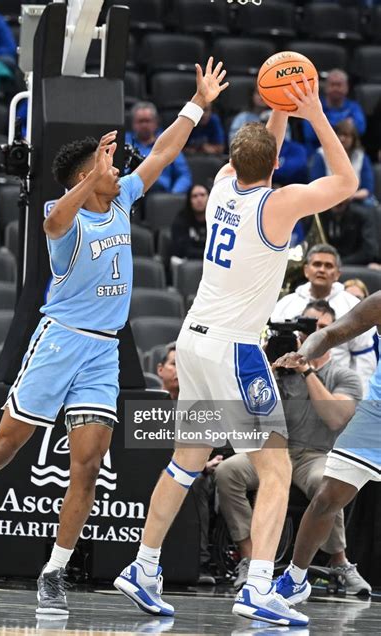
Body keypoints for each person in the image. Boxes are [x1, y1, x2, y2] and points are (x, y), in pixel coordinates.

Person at [0, 57, 228, 615]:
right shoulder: (67, 217)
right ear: (87, 174)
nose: (119, 165)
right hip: (59, 341)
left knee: (88, 460)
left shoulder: (124, 197)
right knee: (6, 445)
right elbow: (52, 222)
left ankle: (55, 569)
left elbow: (164, 152)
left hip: (102, 351)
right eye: (106, 162)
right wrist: (89, 177)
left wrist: (197, 105)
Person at [115, 74, 359, 627]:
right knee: (274, 469)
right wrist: (312, 111)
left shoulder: (224, 181)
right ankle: (256, 587)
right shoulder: (280, 204)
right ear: (274, 167)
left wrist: (277, 108)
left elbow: (259, 157)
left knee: (185, 461)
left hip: (194, 341)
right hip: (235, 351)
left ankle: (143, 566)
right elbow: (345, 179)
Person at [216, 300, 369, 596]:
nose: (314, 334)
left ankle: (340, 562)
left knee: (328, 480)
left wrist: (307, 371)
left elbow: (336, 418)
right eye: (309, 327)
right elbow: (247, 413)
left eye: (323, 329)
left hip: (315, 454)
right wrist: (266, 372)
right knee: (227, 472)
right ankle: (250, 557)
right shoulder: (279, 366)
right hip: (275, 452)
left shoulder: (344, 375)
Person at [274, 292, 381, 606]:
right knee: (326, 497)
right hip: (376, 417)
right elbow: (330, 333)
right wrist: (304, 354)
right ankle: (294, 579)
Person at [156, 341, 223, 586]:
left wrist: (206, 464)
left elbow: (220, 449)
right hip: (146, 471)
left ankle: (200, 561)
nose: (179, 371)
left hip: (195, 473)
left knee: (194, 480)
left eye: (184, 366)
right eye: (174, 364)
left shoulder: (205, 405)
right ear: (160, 369)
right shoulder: (142, 404)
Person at [271, 244, 376, 395]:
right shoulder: (285, 305)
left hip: (337, 387)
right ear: (306, 270)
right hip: (289, 387)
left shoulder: (354, 306)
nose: (322, 269)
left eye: (328, 266)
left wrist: (360, 400)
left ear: (338, 273)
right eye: (317, 264)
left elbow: (364, 357)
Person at [125, 102, 192, 194]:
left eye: (147, 121)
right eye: (140, 121)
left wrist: (173, 195)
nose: (144, 125)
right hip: (129, 193)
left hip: (160, 193)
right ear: (133, 123)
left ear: (155, 122)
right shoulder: (124, 141)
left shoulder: (168, 141)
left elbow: (184, 176)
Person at [310, 119, 376, 206]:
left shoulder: (361, 157)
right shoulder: (321, 154)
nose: (342, 138)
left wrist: (351, 196)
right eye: (339, 134)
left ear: (353, 139)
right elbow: (315, 186)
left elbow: (367, 189)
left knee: (370, 206)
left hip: (354, 200)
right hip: (327, 200)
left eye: (346, 135)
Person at [302, 69, 366, 157]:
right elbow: (309, 133)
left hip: (347, 153)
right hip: (318, 154)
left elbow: (360, 129)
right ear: (326, 87)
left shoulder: (353, 107)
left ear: (347, 87)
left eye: (339, 85)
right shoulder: (314, 106)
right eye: (332, 84)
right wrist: (344, 126)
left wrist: (323, 124)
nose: (335, 88)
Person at [319, 200, 379, 265]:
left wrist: (340, 262)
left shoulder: (362, 215)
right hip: (328, 263)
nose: (338, 202)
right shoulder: (320, 215)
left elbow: (369, 250)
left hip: (356, 265)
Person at [170, 184, 209, 261]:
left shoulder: (216, 219)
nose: (199, 199)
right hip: (187, 261)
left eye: (202, 195)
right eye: (194, 196)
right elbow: (183, 250)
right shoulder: (180, 220)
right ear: (189, 200)